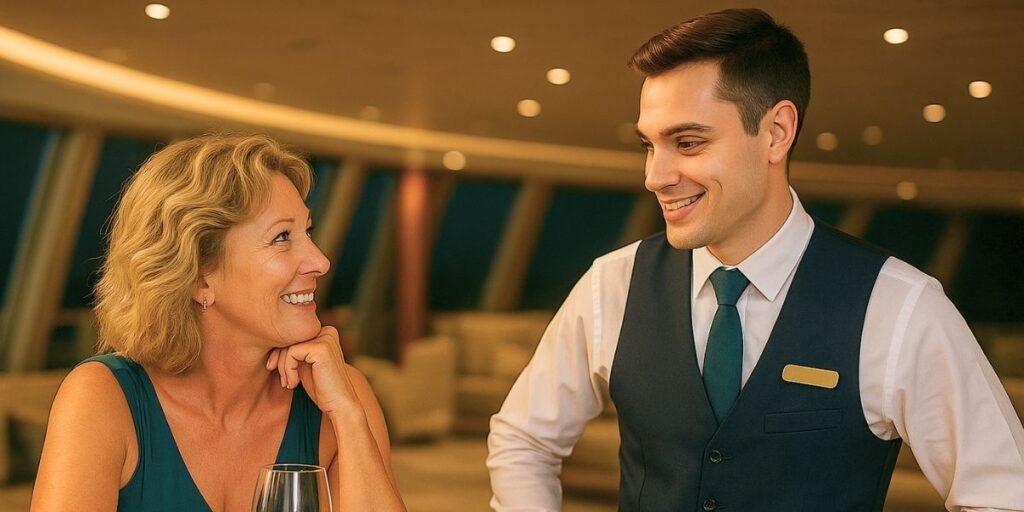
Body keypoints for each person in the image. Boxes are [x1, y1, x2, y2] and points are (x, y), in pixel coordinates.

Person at [487, 8, 1024, 511]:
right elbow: (523, 439)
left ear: (776, 133)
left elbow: (1003, 492)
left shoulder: (899, 305)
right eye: (649, 145)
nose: (655, 177)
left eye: (688, 143)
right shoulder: (614, 283)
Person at [32, 134, 406, 511]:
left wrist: (348, 415)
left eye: (307, 231)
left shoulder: (341, 398)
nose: (320, 261)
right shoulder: (102, 399)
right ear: (199, 276)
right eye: (282, 237)